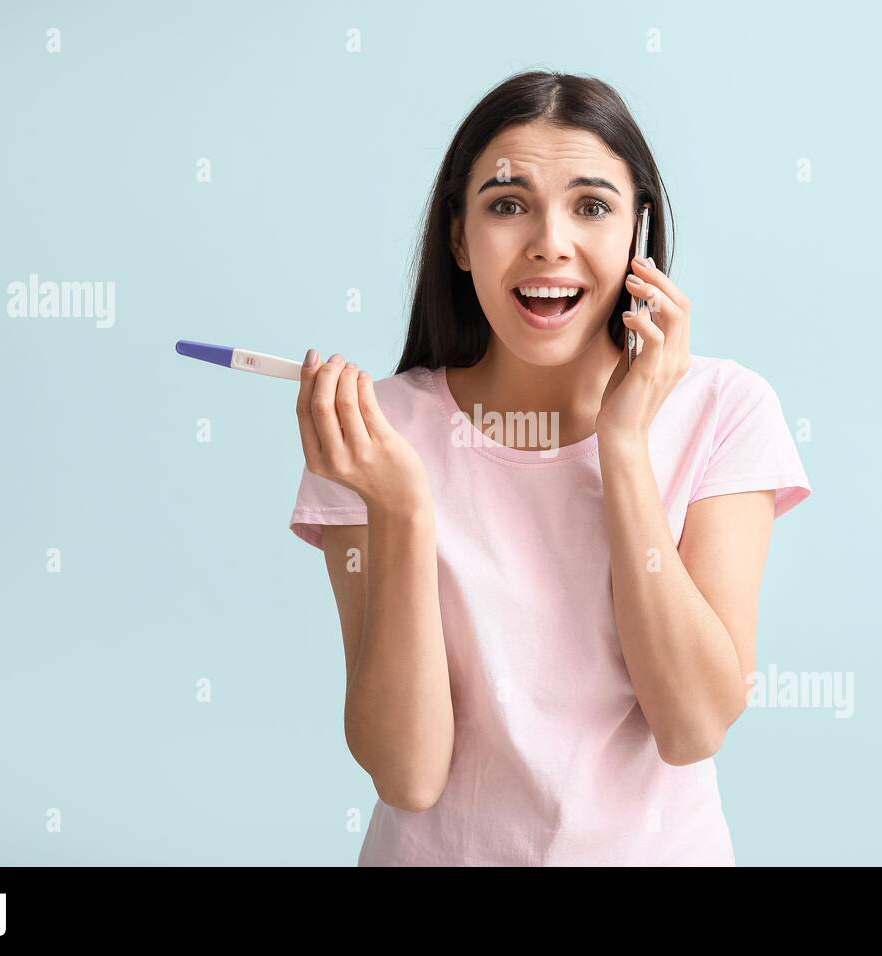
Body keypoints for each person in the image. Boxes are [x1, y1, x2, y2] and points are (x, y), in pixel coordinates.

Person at [290, 70, 811, 866]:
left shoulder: (724, 408)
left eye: (592, 206)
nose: (549, 242)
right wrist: (400, 513)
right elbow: (407, 774)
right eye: (506, 205)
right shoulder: (376, 433)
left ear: (639, 234)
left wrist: (625, 443)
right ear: (459, 237)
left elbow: (694, 724)